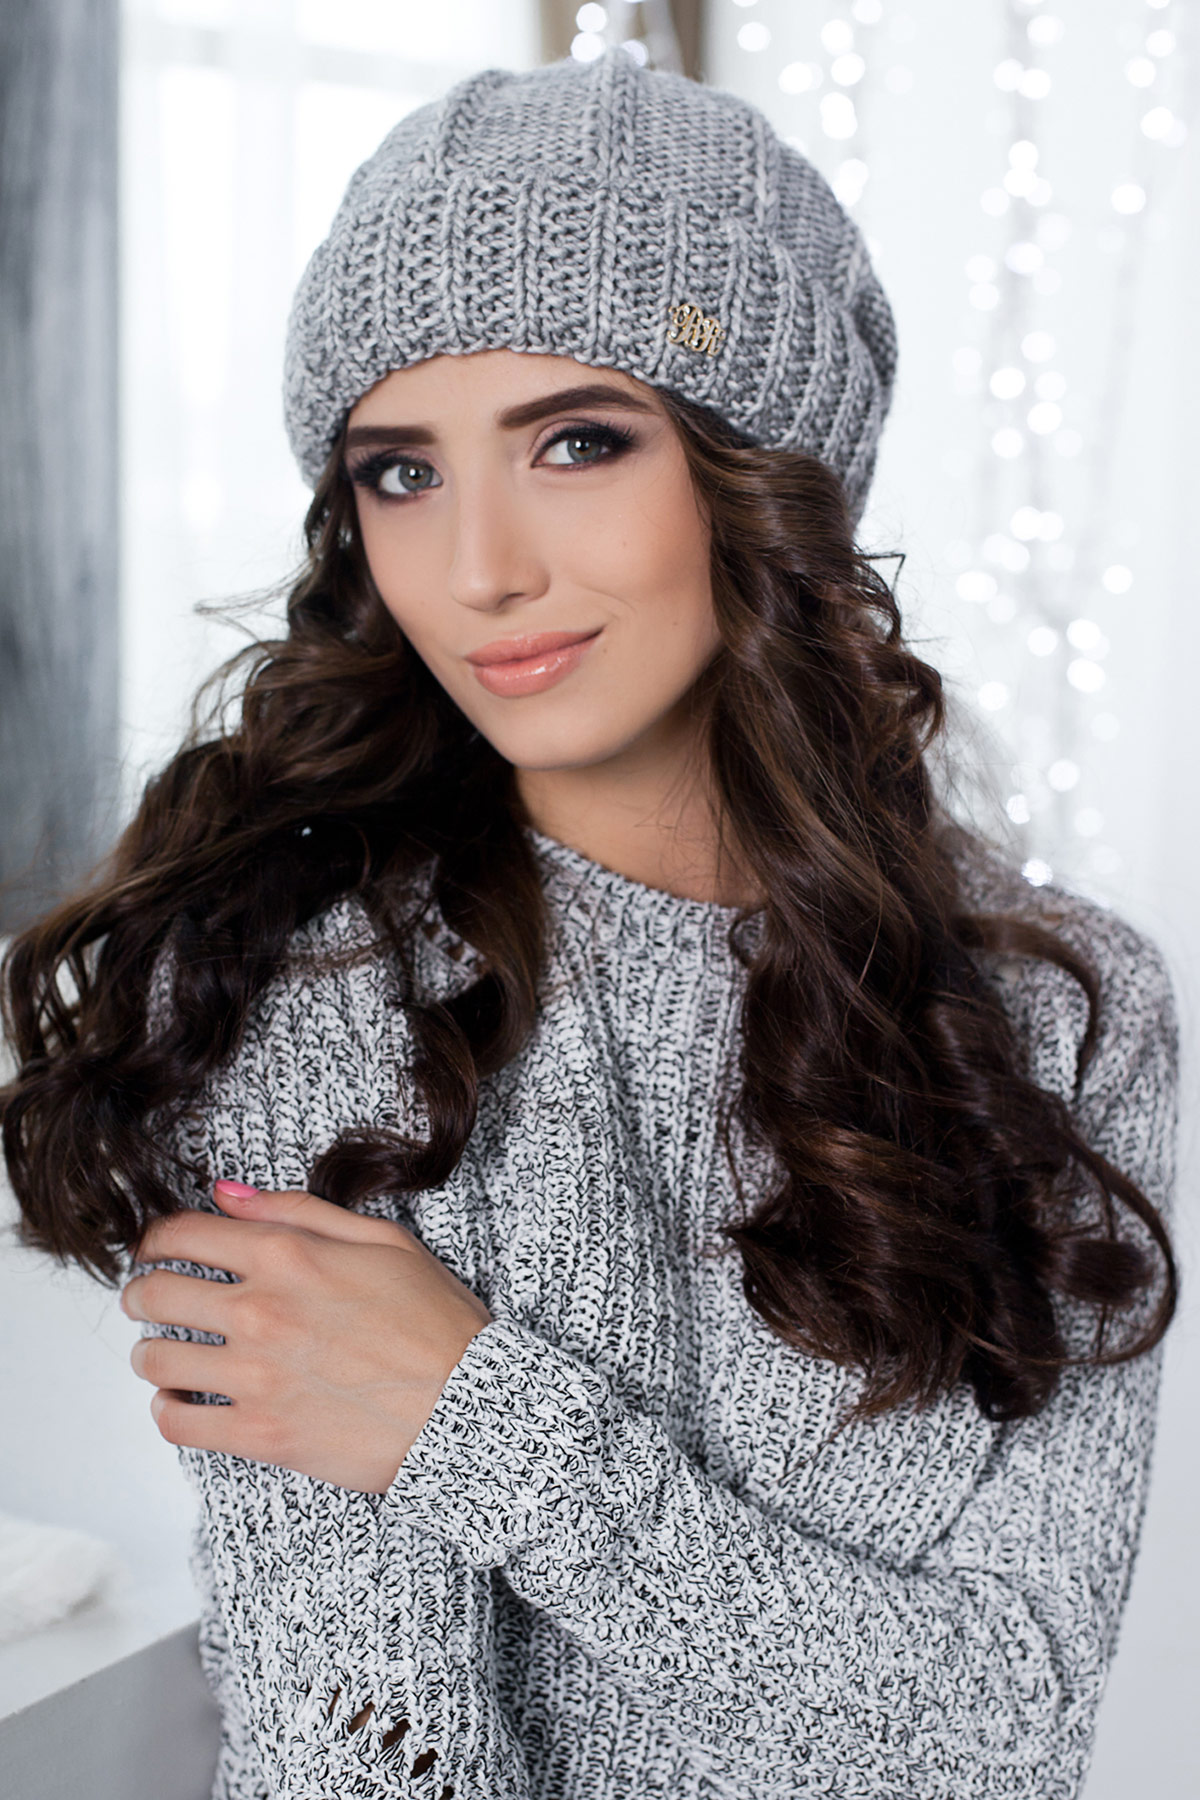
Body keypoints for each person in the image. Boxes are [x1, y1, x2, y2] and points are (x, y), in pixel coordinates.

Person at [0, 48, 1180, 1800]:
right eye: (401, 473)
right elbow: (366, 1760)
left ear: (761, 472)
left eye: (576, 442)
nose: (481, 568)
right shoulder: (310, 998)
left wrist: (479, 1425)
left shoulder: (1066, 1012)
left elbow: (1012, 1728)